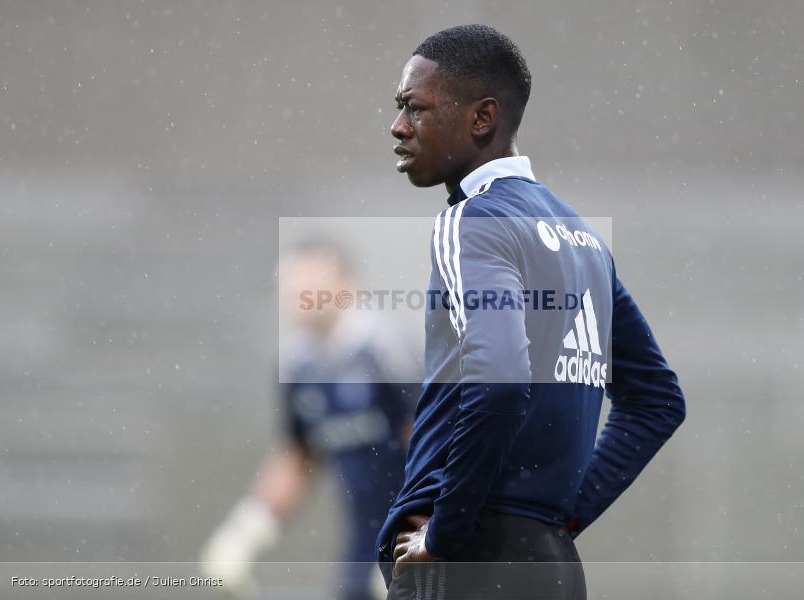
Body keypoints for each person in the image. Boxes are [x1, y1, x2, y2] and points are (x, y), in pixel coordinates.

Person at [376, 25, 687, 600]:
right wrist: (557, 520)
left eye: (414, 109)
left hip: (469, 563)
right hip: (553, 568)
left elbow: (498, 383)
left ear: (482, 117)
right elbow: (656, 402)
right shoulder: (582, 238)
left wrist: (446, 533)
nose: (397, 127)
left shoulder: (472, 220)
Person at [201, 240, 417, 600]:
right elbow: (300, 454)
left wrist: (422, 535)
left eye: (311, 280)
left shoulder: (388, 350)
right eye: (290, 283)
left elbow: (435, 443)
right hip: (366, 543)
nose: (298, 292)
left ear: (348, 285)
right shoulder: (298, 364)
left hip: (427, 534)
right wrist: (247, 530)